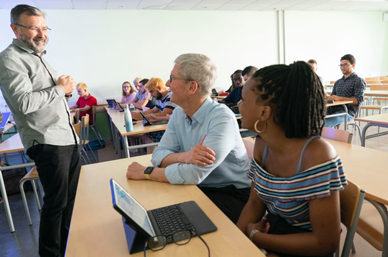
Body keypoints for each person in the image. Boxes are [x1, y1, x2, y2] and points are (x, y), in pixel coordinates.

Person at [236, 61, 347, 257]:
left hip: (304, 246)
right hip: (274, 232)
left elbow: (325, 243)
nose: (239, 105)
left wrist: (254, 236)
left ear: (264, 112)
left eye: (243, 99)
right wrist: (233, 241)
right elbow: (254, 203)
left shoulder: (317, 156)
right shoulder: (262, 144)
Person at [126, 53, 251, 223]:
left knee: (173, 223)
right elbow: (157, 156)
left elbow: (193, 173)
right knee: (154, 210)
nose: (168, 83)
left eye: (172, 78)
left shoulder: (222, 118)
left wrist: (147, 172)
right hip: (198, 187)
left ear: (192, 87)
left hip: (230, 193)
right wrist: (185, 156)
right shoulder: (178, 113)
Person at [0, 4, 81, 257]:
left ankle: (69, 248)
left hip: (66, 137)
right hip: (47, 141)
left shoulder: (39, 58)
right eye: (33, 27)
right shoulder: (10, 59)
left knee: (70, 202)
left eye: (44, 28)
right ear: (15, 29)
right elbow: (23, 104)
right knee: (56, 204)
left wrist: (64, 92)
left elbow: (47, 101)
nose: (41, 33)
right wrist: (59, 89)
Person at [132, 77, 177, 153]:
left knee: (151, 136)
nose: (151, 95)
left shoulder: (170, 97)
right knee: (144, 135)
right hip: (165, 124)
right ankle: (152, 155)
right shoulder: (161, 98)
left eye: (152, 92)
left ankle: (151, 158)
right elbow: (153, 110)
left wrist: (141, 117)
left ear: (159, 88)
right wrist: (139, 114)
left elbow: (164, 114)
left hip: (172, 128)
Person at [325, 54, 366, 128]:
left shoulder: (358, 81)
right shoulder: (338, 82)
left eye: (345, 65)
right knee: (313, 120)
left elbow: (358, 100)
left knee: (323, 124)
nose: (342, 67)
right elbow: (333, 97)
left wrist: (340, 98)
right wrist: (327, 97)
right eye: (341, 65)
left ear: (353, 65)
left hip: (346, 112)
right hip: (332, 110)